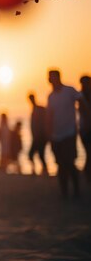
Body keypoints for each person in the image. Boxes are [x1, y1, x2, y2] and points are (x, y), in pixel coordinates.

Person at [46, 69, 81, 199]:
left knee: (69, 162)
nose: (49, 80)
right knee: (60, 164)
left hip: (69, 133)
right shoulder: (51, 96)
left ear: (58, 77)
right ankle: (64, 191)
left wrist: (85, 121)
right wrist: (49, 135)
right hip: (56, 136)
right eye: (49, 77)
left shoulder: (70, 91)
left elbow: (81, 103)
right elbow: (49, 116)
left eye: (51, 77)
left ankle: (76, 189)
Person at [28, 94, 49, 176]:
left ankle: (44, 170)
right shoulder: (34, 109)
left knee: (39, 154)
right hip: (36, 137)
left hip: (41, 136)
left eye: (31, 99)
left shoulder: (40, 109)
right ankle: (38, 170)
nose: (31, 101)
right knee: (34, 154)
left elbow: (47, 120)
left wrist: (46, 133)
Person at [79, 75, 91, 184]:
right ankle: (87, 176)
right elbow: (83, 113)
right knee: (89, 153)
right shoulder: (81, 97)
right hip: (85, 130)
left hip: (85, 129)